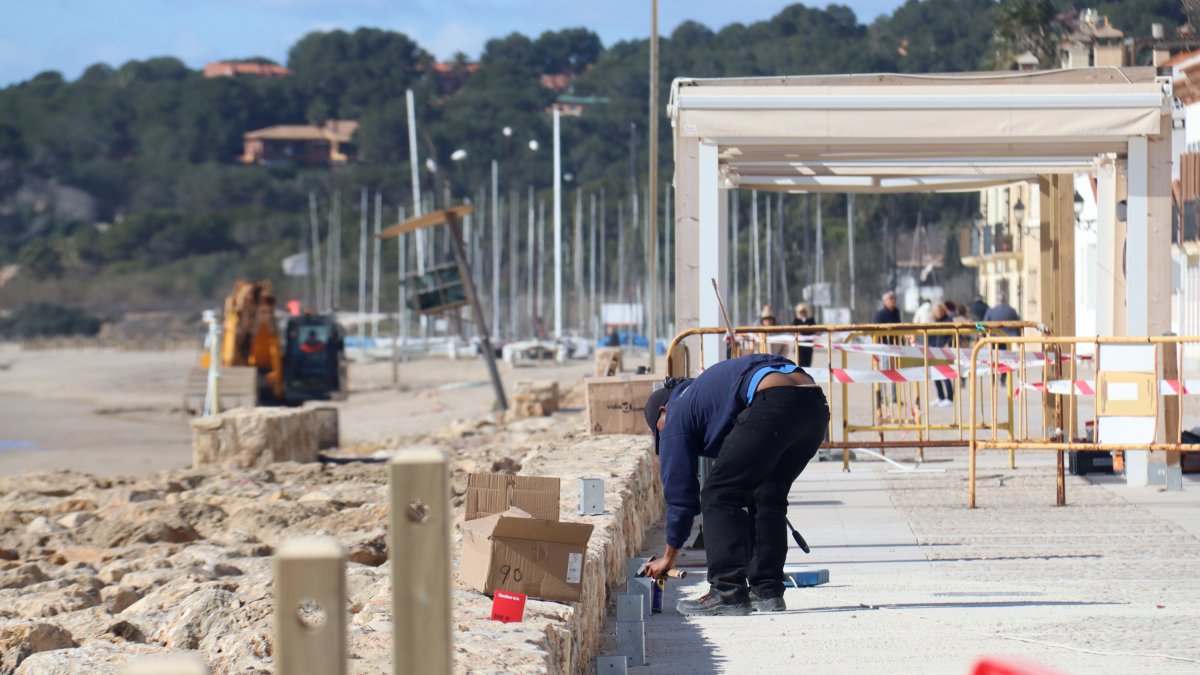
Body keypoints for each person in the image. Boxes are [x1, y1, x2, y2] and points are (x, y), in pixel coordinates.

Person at [641, 353, 829, 616]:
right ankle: (767, 590)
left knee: (720, 494)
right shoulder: (705, 396)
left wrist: (668, 558)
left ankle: (727, 592)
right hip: (814, 405)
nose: (666, 437)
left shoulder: (674, 413)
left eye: (659, 431)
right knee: (767, 494)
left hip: (773, 400)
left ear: (662, 412)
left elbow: (681, 496)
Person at [982, 291, 1021, 385]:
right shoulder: (1012, 310)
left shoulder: (991, 311)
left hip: (995, 339)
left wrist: (981, 334)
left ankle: (994, 376)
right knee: (1006, 358)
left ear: (997, 300)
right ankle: (1004, 376)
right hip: (1008, 339)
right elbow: (1018, 324)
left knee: (995, 358)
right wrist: (1019, 338)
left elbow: (983, 324)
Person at [930, 303, 955, 407]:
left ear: (943, 310)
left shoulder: (949, 320)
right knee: (935, 374)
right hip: (935, 350)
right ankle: (940, 396)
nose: (938, 312)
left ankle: (949, 397)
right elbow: (931, 336)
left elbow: (953, 334)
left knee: (945, 375)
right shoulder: (935, 322)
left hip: (945, 350)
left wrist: (948, 343)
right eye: (936, 311)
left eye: (940, 310)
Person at [792, 302, 815, 368]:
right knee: (800, 361)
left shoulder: (810, 319)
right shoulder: (796, 320)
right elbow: (793, 329)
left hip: (808, 344)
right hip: (799, 345)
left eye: (804, 311)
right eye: (801, 311)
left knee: (808, 362)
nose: (803, 313)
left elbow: (813, 329)